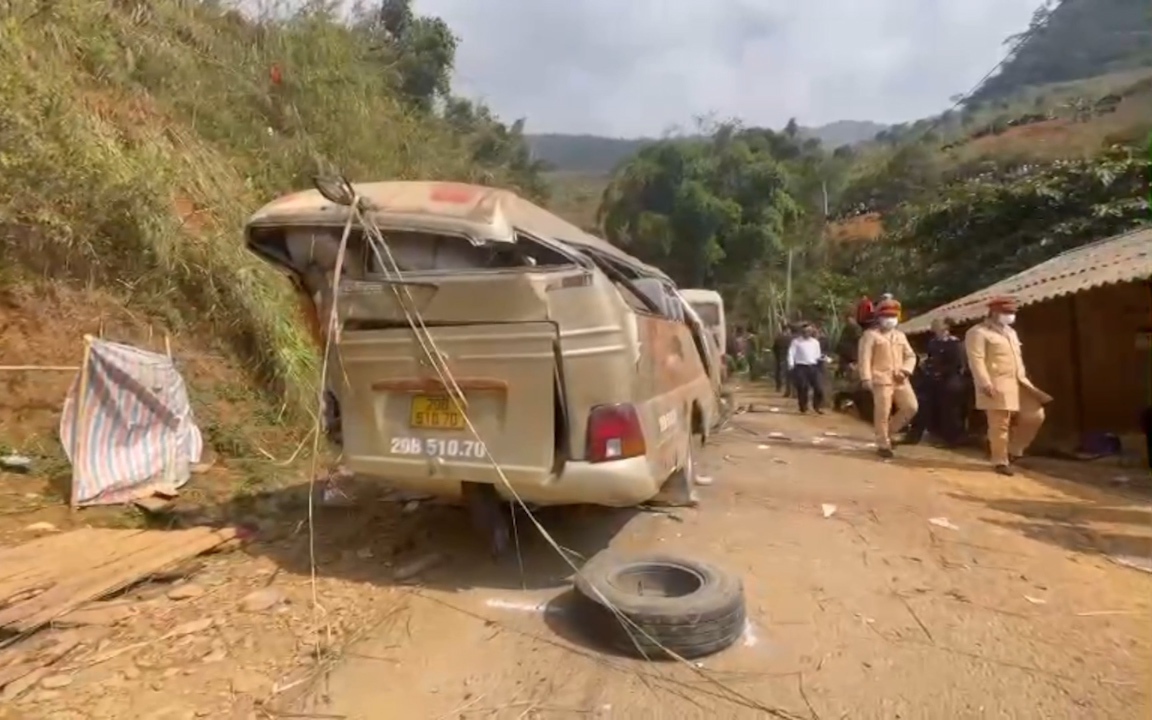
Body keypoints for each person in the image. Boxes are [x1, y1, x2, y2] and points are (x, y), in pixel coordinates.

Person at [964, 295, 1051, 476]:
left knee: (1035, 415)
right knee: (1000, 424)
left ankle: (1014, 450)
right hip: (996, 383)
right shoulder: (978, 332)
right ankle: (1000, 461)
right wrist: (984, 382)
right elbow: (976, 360)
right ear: (994, 312)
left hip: (1019, 382)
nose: (1010, 316)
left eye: (1012, 312)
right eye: (1007, 312)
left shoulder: (1011, 332)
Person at [857, 298, 918, 458]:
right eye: (886, 316)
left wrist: (905, 370)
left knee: (911, 407)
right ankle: (883, 444)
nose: (890, 319)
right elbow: (865, 358)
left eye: (893, 316)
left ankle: (888, 433)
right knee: (883, 412)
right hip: (881, 378)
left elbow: (911, 356)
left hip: (900, 379)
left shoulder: (900, 336)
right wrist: (866, 378)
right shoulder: (870, 335)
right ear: (879, 317)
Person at [910, 317, 968, 446]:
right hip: (933, 379)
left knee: (949, 410)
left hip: (949, 380)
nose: (933, 326)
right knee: (927, 406)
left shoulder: (954, 344)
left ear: (945, 327)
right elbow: (930, 359)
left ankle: (952, 439)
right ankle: (927, 434)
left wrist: (940, 372)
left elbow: (956, 364)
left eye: (937, 324)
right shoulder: (933, 342)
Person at [787, 323, 825, 414]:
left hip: (813, 366)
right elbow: (791, 353)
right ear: (802, 332)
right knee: (803, 387)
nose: (807, 333)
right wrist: (791, 364)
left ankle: (817, 406)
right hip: (801, 367)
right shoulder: (796, 342)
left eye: (809, 331)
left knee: (818, 388)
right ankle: (803, 406)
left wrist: (823, 359)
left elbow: (817, 355)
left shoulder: (815, 342)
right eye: (805, 331)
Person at [772, 325, 794, 395]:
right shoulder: (791, 338)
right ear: (788, 330)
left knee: (779, 373)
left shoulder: (778, 338)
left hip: (780, 357)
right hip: (789, 357)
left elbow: (774, 348)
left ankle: (779, 387)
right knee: (789, 374)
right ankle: (789, 390)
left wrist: (777, 356)